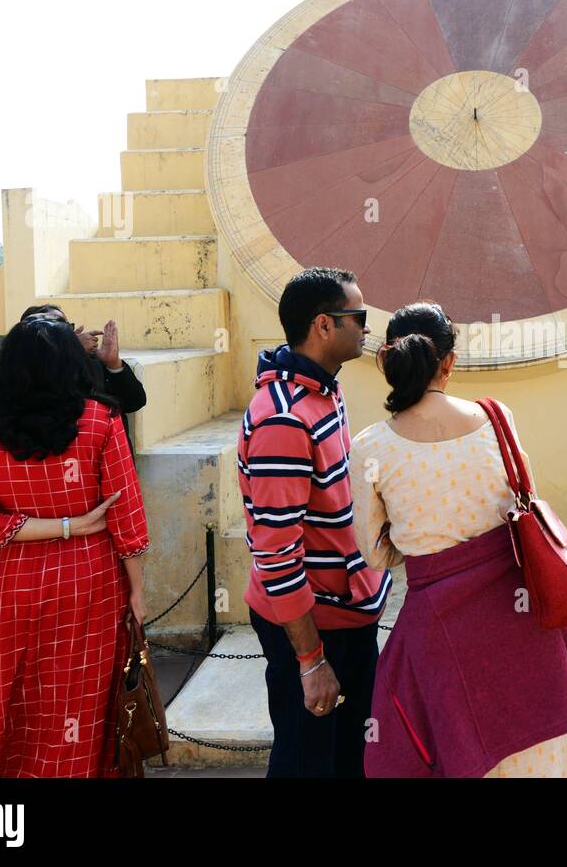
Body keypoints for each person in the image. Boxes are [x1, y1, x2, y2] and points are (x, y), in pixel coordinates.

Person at [352, 303, 567, 776]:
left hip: (441, 634)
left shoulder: (370, 447)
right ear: (450, 362)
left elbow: (375, 555)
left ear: (387, 361)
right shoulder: (496, 417)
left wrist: (420, 541)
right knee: (541, 755)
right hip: (522, 618)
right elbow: (522, 497)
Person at [0, 317, 147, 777]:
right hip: (90, 580)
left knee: (11, 693)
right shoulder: (101, 420)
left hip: (13, 582)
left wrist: (63, 525)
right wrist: (137, 592)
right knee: (78, 695)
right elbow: (128, 518)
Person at [241, 267, 391, 778]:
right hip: (316, 625)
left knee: (347, 757)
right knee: (308, 763)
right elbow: (276, 551)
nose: (366, 330)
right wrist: (310, 660)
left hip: (343, 611)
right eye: (359, 318)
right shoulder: (283, 417)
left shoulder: (320, 390)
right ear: (324, 326)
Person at [20, 306, 146, 452]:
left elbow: (135, 402)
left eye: (67, 326)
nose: (66, 333)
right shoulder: (21, 369)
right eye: (56, 327)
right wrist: (70, 351)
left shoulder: (92, 360)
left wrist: (113, 363)